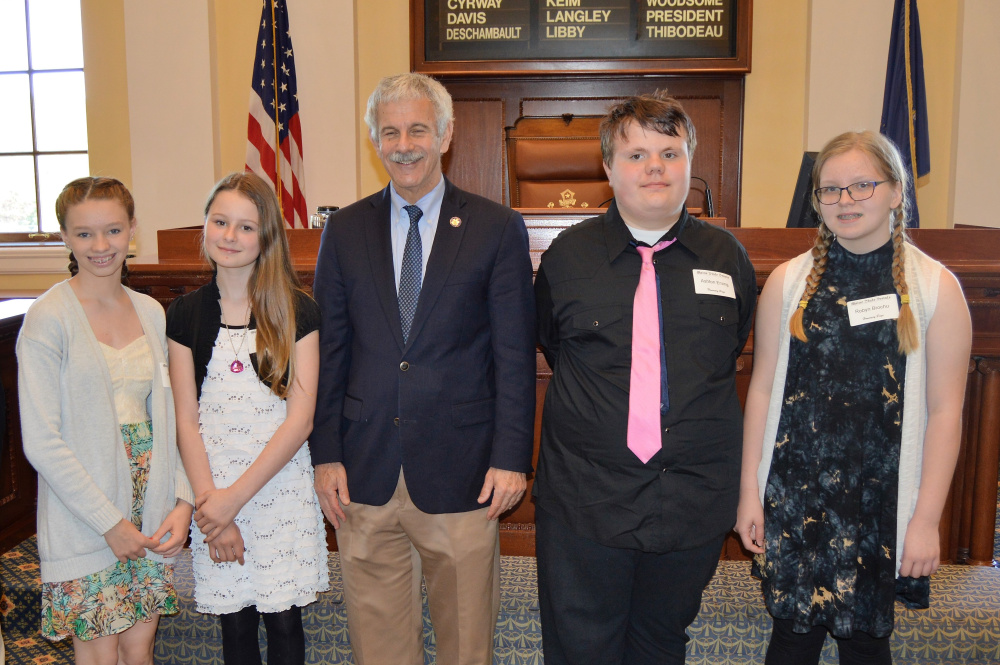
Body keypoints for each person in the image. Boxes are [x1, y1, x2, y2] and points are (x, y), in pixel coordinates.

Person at [311, 72, 536, 665]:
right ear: (374, 141)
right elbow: (331, 350)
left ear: (445, 134)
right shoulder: (345, 230)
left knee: (466, 645)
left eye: (417, 129)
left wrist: (512, 458)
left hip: (463, 473)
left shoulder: (495, 227)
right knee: (379, 648)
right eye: (389, 132)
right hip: (364, 472)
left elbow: (514, 355)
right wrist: (326, 453)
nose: (403, 144)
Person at [533, 91, 757, 664]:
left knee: (660, 644)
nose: (654, 167)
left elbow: (731, 351)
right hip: (588, 500)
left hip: (691, 501)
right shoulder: (566, 256)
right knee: (582, 646)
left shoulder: (727, 257)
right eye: (636, 155)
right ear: (608, 168)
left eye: (670, 152)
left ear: (690, 163)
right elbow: (552, 346)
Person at [735, 130, 972, 664]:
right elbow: (764, 388)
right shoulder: (789, 283)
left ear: (896, 192)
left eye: (862, 185)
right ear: (816, 201)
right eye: (831, 190)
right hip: (797, 499)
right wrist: (749, 490)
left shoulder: (936, 288)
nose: (845, 200)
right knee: (792, 640)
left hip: (879, 507)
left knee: (866, 644)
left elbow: (945, 413)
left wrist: (926, 519)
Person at [17, 177, 194, 664]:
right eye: (84, 234)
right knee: (99, 656)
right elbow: (41, 440)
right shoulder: (49, 318)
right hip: (87, 515)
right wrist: (108, 523)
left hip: (150, 509)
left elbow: (172, 419)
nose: (101, 246)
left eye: (113, 231)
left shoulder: (152, 312)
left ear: (132, 230)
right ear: (65, 238)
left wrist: (182, 500)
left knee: (139, 653)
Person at [166, 172, 329, 665]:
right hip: (212, 490)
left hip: (276, 491)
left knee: (284, 626)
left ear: (267, 238)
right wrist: (215, 512)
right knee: (234, 629)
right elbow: (185, 421)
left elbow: (299, 422)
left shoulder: (297, 312)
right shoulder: (184, 314)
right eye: (220, 222)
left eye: (245, 227)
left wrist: (233, 502)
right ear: (205, 228)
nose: (230, 237)